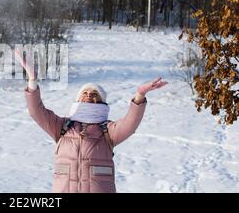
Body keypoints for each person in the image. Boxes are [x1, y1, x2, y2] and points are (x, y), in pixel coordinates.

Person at [15, 50, 168, 193]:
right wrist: (32, 80)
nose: (89, 95)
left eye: (95, 94)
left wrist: (140, 95)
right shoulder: (62, 127)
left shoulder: (107, 130)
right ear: (78, 99)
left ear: (101, 101)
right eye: (85, 93)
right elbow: (36, 110)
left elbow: (130, 123)